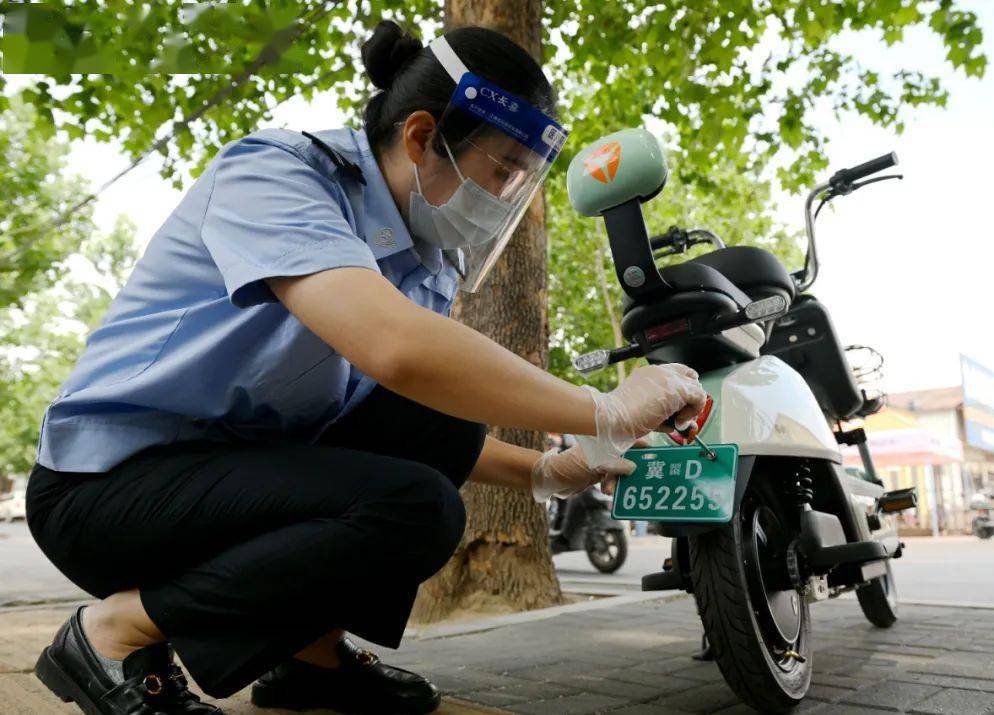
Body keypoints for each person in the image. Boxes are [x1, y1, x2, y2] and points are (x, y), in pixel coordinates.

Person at [25, 20, 706, 715]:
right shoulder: (280, 175)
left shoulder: (426, 261)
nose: (509, 197)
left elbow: (407, 412)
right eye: (502, 170)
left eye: (521, 181)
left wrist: (542, 472)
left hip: (228, 473)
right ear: (421, 137)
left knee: (427, 415)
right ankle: (113, 634)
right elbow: (396, 349)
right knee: (416, 508)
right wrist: (603, 406)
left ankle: (311, 663)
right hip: (107, 488)